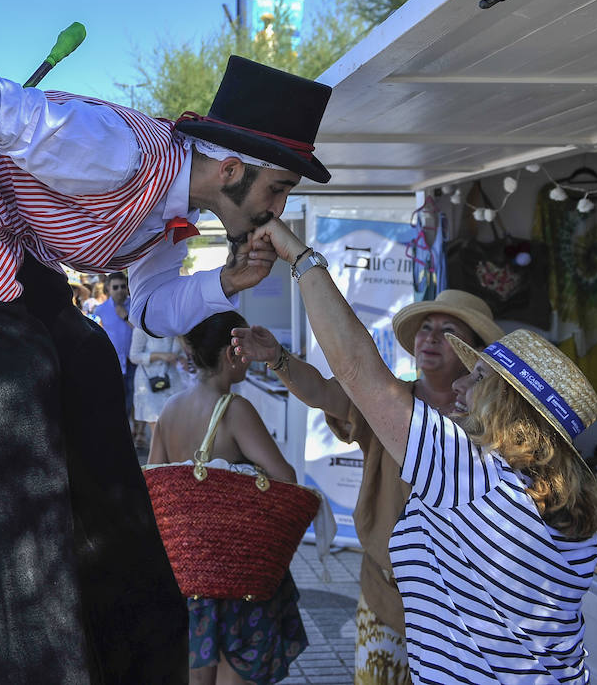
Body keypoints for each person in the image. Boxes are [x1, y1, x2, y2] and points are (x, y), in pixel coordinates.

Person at [0, 55, 332, 684]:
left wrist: (228, 281)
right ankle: (11, 650)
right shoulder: (122, 151)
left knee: (91, 360)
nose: (276, 208)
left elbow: (150, 309)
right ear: (231, 168)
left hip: (14, 259)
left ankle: (110, 635)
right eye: (277, 189)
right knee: (16, 393)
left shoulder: (174, 217)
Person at [237, 218, 597, 684]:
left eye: (478, 379)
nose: (461, 384)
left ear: (505, 401)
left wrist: (302, 258)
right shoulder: (565, 501)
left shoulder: (474, 472)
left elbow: (356, 369)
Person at [234, 289, 501, 685]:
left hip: (460, 607)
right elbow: (324, 392)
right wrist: (277, 358)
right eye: (426, 328)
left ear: (475, 352)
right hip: (385, 591)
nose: (429, 338)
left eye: (448, 332)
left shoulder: (493, 426)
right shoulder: (391, 401)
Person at [150, 312, 307, 685]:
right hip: (237, 568)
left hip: (188, 573)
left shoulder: (170, 409)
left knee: (196, 673)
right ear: (230, 354)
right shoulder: (234, 410)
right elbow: (285, 478)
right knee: (235, 667)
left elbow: (154, 481)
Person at [129, 324, 185, 450]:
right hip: (148, 381)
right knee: (157, 431)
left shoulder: (176, 327)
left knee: (174, 427)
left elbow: (183, 351)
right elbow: (134, 356)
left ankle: (171, 464)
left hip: (172, 380)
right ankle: (158, 465)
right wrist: (160, 355)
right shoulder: (141, 328)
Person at [92, 271, 135, 427]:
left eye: (123, 286)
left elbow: (142, 333)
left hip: (134, 360)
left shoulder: (135, 306)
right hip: (112, 361)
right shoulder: (100, 310)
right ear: (108, 289)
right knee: (116, 399)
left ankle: (137, 433)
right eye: (115, 287)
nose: (119, 290)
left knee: (134, 398)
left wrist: (125, 317)